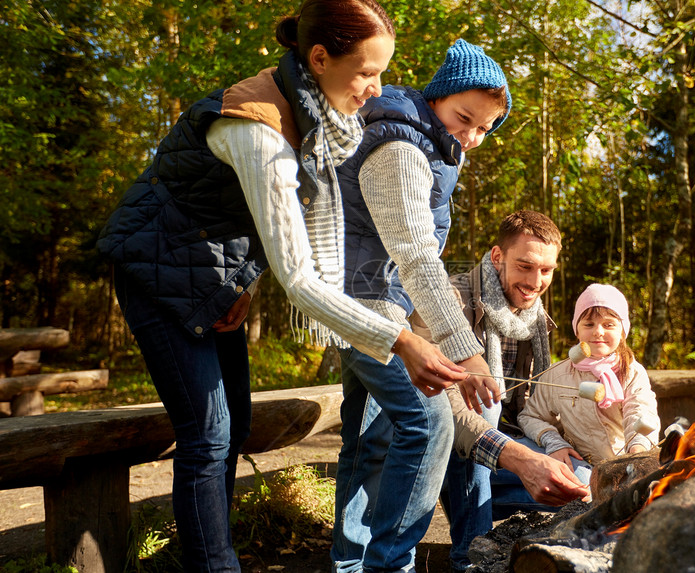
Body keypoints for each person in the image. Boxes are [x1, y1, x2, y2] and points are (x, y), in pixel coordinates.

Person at [97, 2, 471, 570]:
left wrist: (241, 283)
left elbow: (268, 224)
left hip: (210, 272)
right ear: (319, 58)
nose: (376, 89)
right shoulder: (259, 130)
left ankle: (203, 550)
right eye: (366, 72)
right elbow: (300, 277)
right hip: (155, 267)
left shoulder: (322, 119)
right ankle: (214, 564)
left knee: (236, 425)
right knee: (208, 435)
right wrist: (401, 340)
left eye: (382, 73)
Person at [331, 39, 510, 572]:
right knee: (428, 424)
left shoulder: (432, 148)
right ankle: (391, 566)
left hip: (374, 302)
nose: (472, 136)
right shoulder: (402, 150)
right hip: (363, 309)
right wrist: (467, 352)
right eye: (465, 117)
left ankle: (350, 564)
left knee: (371, 440)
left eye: (485, 128)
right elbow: (416, 257)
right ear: (437, 97)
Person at [423, 210, 591, 572]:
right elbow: (443, 408)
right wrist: (523, 461)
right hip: (444, 454)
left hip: (502, 453)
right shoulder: (450, 303)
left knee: (587, 483)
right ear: (497, 256)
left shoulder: (535, 320)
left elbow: (534, 410)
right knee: (484, 401)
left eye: (546, 270)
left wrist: (554, 446)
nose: (536, 281)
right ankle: (471, 557)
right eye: (525, 266)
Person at [518, 284, 660, 473]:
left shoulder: (632, 372)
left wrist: (637, 451)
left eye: (609, 325)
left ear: (622, 331)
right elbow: (530, 416)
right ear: (577, 330)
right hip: (577, 464)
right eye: (588, 324)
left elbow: (640, 411)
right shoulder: (558, 374)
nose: (598, 332)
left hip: (622, 461)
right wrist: (554, 443)